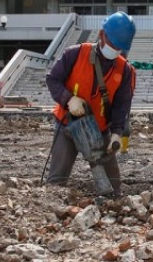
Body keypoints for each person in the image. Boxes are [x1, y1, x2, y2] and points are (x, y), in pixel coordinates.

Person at [46, 11, 137, 198]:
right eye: (113, 45)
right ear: (102, 35)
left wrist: (117, 134)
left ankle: (114, 208)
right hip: (67, 125)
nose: (115, 51)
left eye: (119, 48)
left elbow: (121, 105)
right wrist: (68, 99)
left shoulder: (125, 70)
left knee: (113, 188)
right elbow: (53, 79)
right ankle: (50, 206)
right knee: (56, 181)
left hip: (101, 129)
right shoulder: (75, 54)